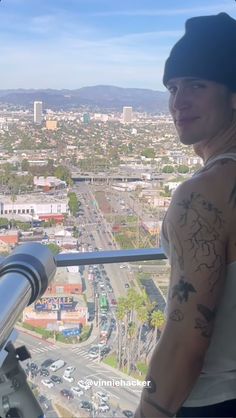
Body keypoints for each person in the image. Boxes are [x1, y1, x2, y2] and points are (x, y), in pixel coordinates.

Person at [134, 12, 236, 418]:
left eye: (197, 84)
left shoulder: (201, 196)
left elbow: (184, 343)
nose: (179, 102)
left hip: (210, 402)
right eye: (173, 87)